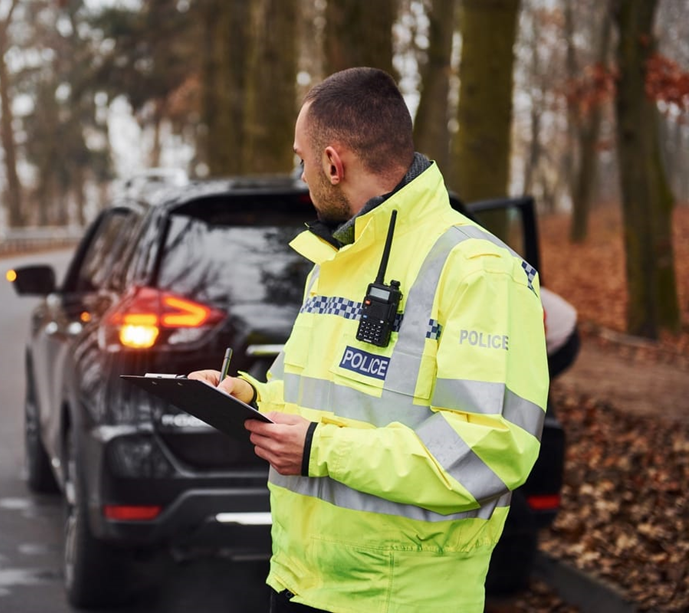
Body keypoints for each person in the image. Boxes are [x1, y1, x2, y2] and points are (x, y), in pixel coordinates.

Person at [189, 67, 548, 612]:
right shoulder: (334, 262)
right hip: (298, 582)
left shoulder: (482, 271)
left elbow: (488, 452)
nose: (302, 175)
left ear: (333, 163)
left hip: (404, 599)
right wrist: (251, 398)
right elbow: (316, 400)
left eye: (302, 159)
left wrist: (318, 449)